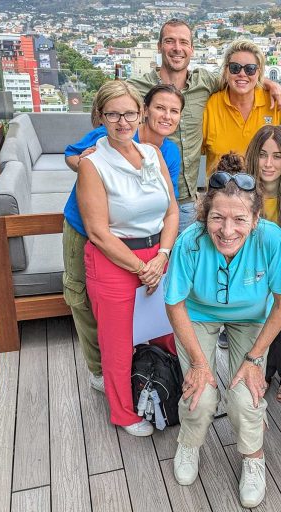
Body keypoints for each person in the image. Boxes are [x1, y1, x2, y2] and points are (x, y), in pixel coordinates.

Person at [164, 154, 281, 508]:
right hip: (198, 314)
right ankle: (189, 443)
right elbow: (175, 303)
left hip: (252, 318)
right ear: (204, 215)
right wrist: (198, 363)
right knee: (201, 392)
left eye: (239, 219)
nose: (227, 230)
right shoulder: (190, 242)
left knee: (246, 394)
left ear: (255, 219)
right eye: (217, 218)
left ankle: (254, 458)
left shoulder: (274, 240)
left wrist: (255, 359)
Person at [63, 84, 184, 390]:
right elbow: (73, 157)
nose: (165, 116)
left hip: (140, 239)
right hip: (87, 227)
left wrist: (161, 254)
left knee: (149, 311)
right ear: (148, 109)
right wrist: (90, 168)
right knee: (86, 302)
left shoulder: (164, 152)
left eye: (174, 111)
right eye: (160, 108)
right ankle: (101, 370)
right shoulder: (106, 136)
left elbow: (165, 204)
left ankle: (147, 366)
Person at [129, 19, 281, 233]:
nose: (177, 48)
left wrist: (269, 83)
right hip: (145, 195)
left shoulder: (204, 83)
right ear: (159, 46)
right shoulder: (135, 87)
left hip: (190, 202)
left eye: (183, 42)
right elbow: (108, 113)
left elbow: (242, 82)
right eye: (170, 41)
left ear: (192, 49)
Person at [243, 125, 281, 403]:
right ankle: (263, 368)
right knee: (258, 317)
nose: (269, 163)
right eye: (263, 155)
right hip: (254, 264)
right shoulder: (244, 191)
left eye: (277, 156)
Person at [202, 39, 281, 176]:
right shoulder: (210, 106)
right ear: (226, 70)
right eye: (235, 67)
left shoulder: (275, 101)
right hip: (221, 194)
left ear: (259, 72)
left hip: (267, 196)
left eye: (250, 69)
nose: (242, 74)